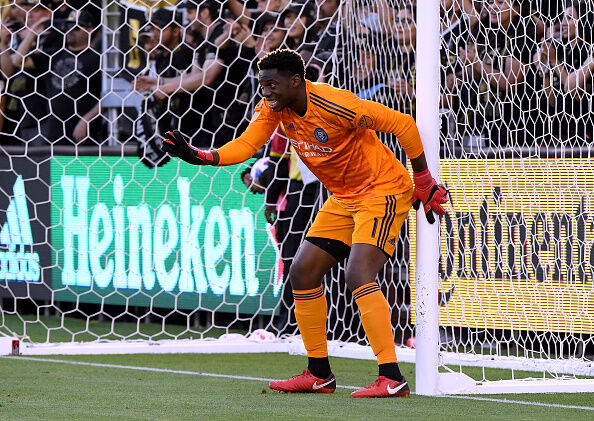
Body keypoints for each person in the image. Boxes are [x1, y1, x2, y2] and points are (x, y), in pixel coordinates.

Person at [160, 48, 448, 398]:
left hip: (381, 189)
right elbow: (247, 145)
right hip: (343, 197)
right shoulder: (273, 108)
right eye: (262, 85)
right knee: (302, 272)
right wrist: (201, 156)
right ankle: (319, 374)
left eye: (272, 85)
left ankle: (391, 377)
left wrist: (423, 180)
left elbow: (402, 124)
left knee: (358, 274)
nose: (265, 92)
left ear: (295, 81)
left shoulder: (335, 104)